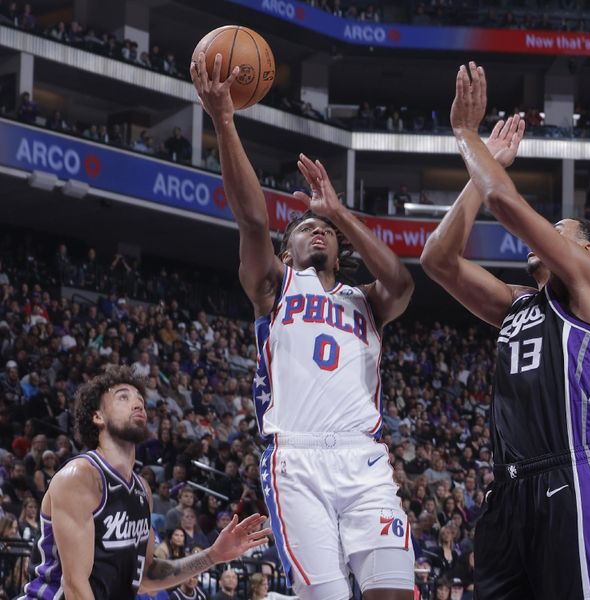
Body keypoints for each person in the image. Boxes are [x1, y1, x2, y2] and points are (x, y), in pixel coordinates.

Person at [191, 52, 415, 600]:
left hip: (364, 459)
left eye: (327, 232)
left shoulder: (367, 300)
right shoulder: (276, 287)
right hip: (296, 457)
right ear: (286, 251)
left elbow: (403, 282)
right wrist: (224, 119)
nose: (319, 234)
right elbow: (251, 219)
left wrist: (339, 213)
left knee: (392, 591)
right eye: (307, 229)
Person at [421, 62, 590, 600]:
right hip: (508, 492)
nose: (545, 234)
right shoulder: (517, 304)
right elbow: (437, 260)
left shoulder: (589, 288)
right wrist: (476, 170)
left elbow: (505, 203)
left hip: (569, 481)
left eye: (559, 230)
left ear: (583, 251)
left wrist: (468, 135)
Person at [18, 366, 271, 600]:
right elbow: (75, 586)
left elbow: (147, 575)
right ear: (97, 416)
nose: (138, 402)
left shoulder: (142, 490)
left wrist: (213, 555)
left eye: (139, 397)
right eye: (123, 397)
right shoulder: (80, 477)